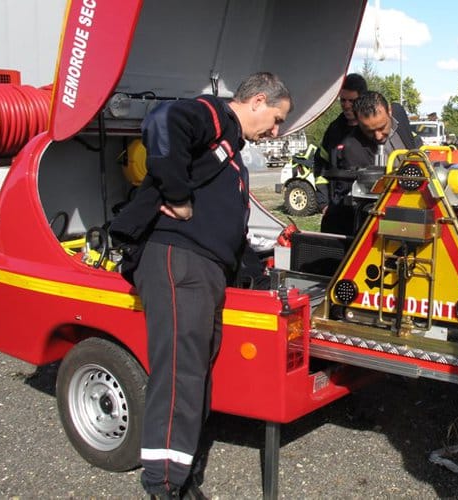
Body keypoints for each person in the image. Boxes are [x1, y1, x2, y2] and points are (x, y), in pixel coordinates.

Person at [126, 73, 291, 498]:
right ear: (257, 100)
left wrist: (262, 277)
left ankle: (184, 477)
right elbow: (164, 122)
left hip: (205, 269)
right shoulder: (215, 115)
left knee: (196, 376)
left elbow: (231, 233)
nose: (274, 131)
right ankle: (164, 485)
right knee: (180, 376)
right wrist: (178, 196)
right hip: (180, 260)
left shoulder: (231, 151)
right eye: (275, 119)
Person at [326, 90, 421, 236]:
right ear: (357, 121)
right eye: (369, 130)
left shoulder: (399, 112)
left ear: (389, 110)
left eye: (382, 127)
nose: (378, 136)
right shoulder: (352, 149)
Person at [315, 73, 368, 224]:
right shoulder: (334, 130)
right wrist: (323, 203)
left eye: (352, 100)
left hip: (367, 212)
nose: (346, 105)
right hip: (336, 210)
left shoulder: (373, 130)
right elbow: (320, 165)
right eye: (342, 100)